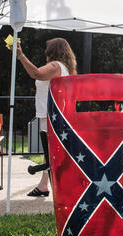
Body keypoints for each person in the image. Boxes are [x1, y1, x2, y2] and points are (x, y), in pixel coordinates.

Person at [15, 38, 77, 197]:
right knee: (51, 154)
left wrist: (21, 56)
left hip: (51, 116)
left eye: (47, 48)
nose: (45, 51)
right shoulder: (64, 68)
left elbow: (36, 73)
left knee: (53, 157)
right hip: (55, 115)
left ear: (54, 51)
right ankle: (44, 186)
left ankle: (62, 194)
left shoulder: (55, 66)